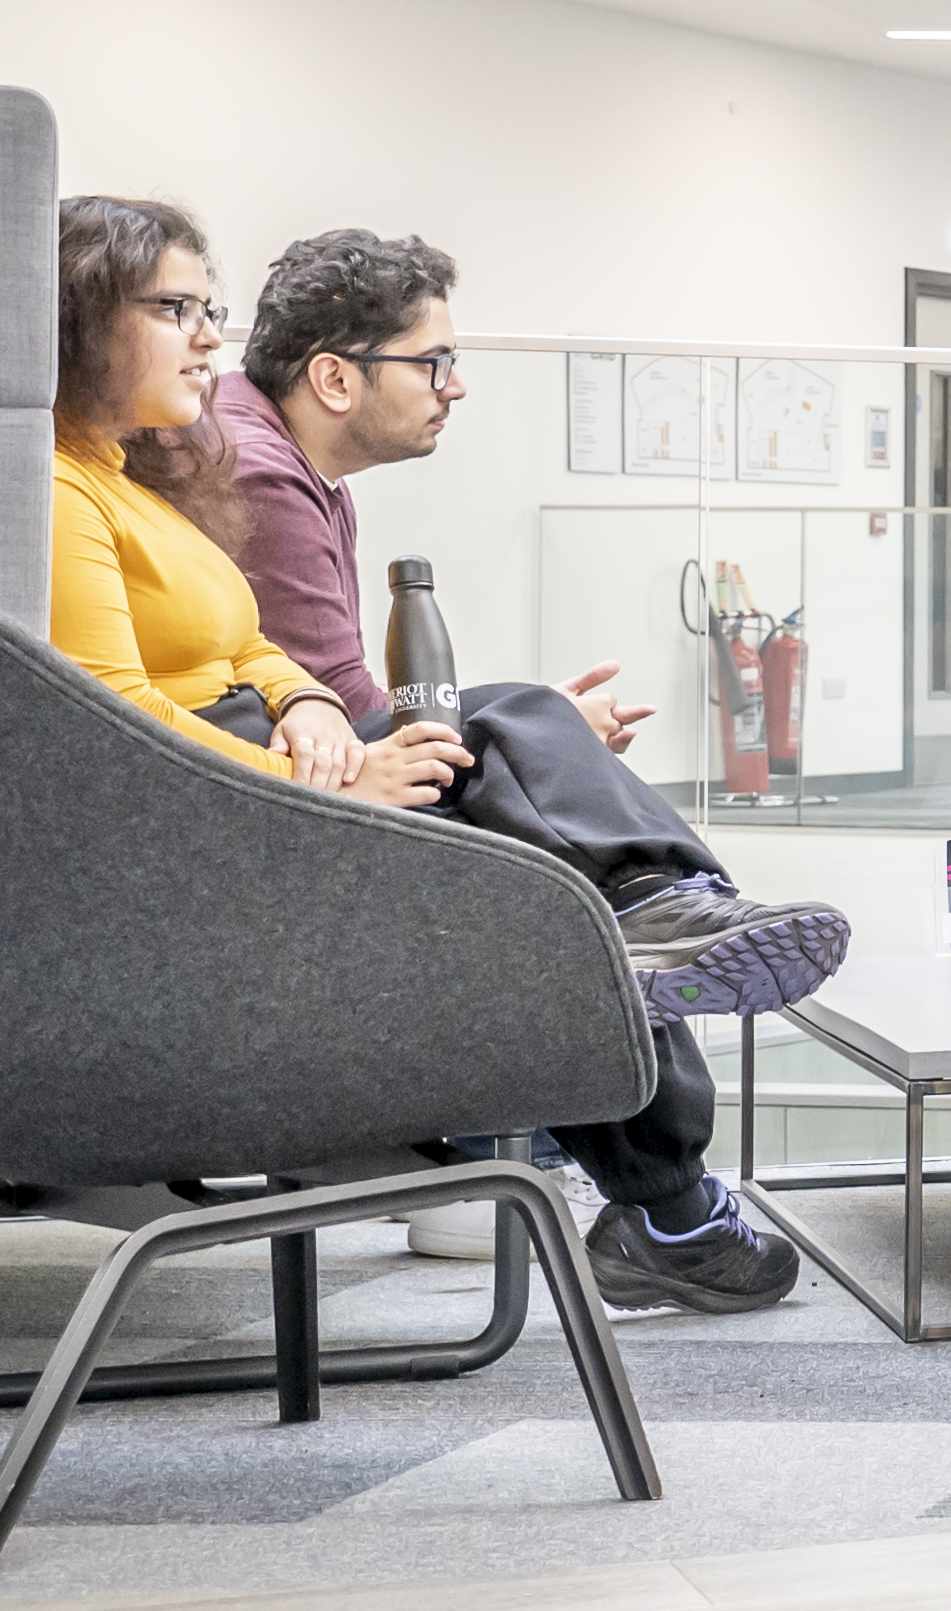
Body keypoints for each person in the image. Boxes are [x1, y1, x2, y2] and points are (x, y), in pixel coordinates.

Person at [47, 199, 835, 1317]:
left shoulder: (135, 478)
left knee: (530, 792)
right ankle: (667, 1118)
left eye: (207, 309)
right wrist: (332, 758)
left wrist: (308, 701)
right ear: (85, 320)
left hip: (261, 777)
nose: (206, 339)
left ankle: (668, 1127)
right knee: (516, 757)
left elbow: (255, 648)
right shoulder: (94, 486)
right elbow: (112, 722)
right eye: (174, 310)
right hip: (224, 824)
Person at [212, 224, 852, 1020]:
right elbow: (345, 711)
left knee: (538, 758)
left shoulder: (284, 457)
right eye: (433, 363)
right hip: (275, 803)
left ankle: (660, 919)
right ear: (335, 379)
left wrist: (539, 739)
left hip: (291, 770)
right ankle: (659, 904)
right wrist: (537, 730)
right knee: (528, 735)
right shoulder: (258, 470)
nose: (455, 387)